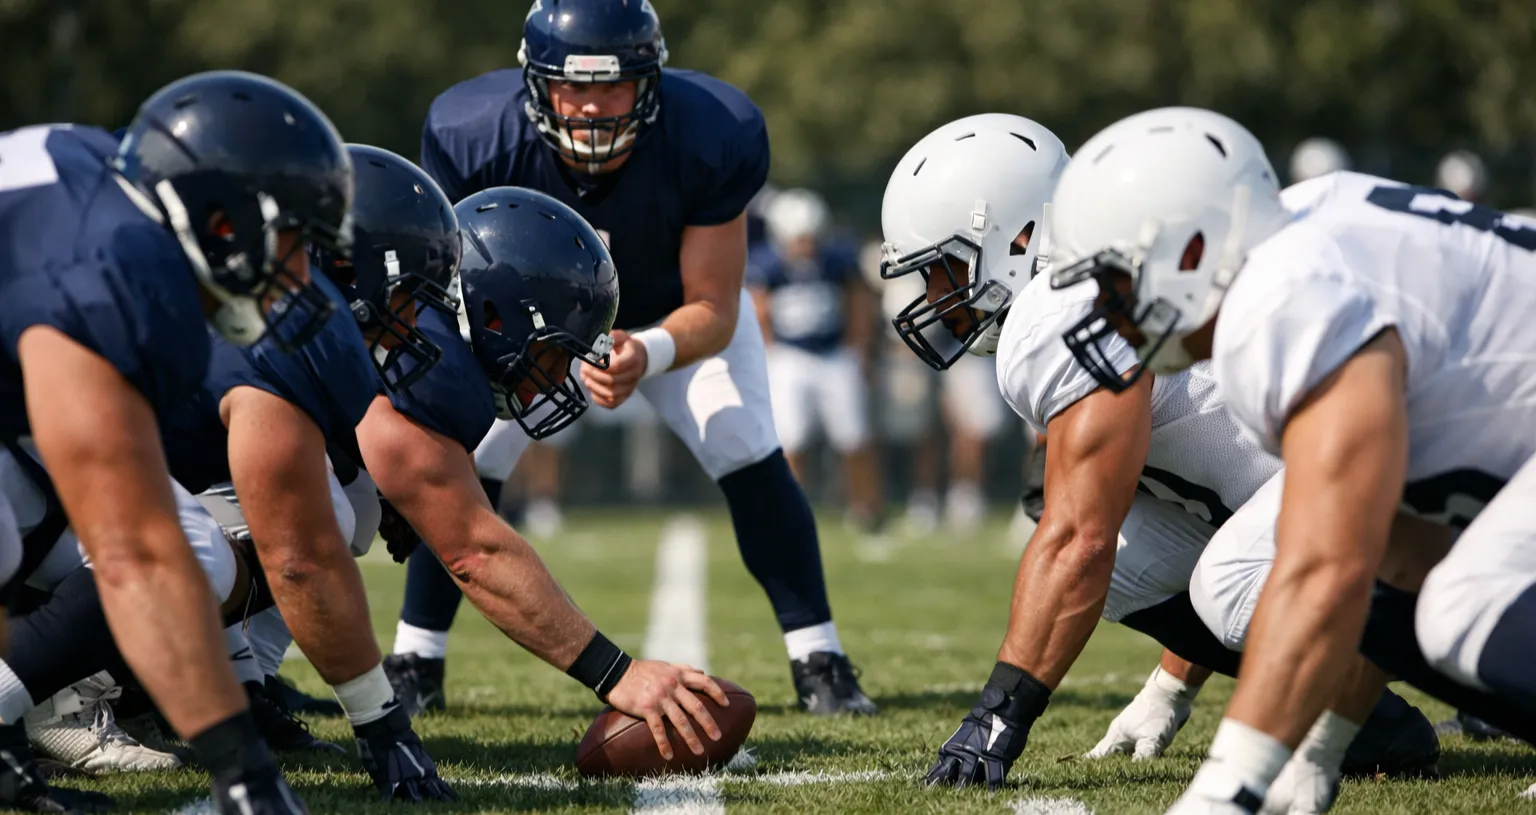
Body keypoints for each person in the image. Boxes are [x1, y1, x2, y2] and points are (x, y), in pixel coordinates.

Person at [1046, 106, 1536, 812]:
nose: (1108, 312)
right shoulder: (1302, 246)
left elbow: (1325, 570)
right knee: (1430, 593)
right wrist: (1317, 753)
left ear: (1192, 250)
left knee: (1464, 604)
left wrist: (1224, 789)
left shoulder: (1286, 298)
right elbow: (1399, 553)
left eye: (1115, 282)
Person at [395, 0, 875, 715]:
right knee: (469, 452)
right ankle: (415, 657)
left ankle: (820, 657)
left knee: (742, 440)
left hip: (669, 318)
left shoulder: (713, 131)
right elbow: (454, 279)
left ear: (651, 83)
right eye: (572, 86)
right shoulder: (472, 135)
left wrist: (646, 351)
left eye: (613, 86)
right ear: (535, 83)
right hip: (534, 328)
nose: (591, 108)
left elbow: (716, 305)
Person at [0, 70, 347, 813]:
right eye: (291, 241)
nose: (299, 272)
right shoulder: (110, 271)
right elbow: (134, 553)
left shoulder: (110, 190)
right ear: (221, 219)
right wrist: (244, 772)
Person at [351, 184, 733, 761]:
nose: (558, 376)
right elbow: (477, 554)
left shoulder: (420, 334)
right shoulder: (424, 362)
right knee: (340, 512)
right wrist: (618, 673)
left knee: (346, 505)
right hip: (204, 511)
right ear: (495, 315)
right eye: (556, 347)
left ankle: (248, 678)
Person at [750, 188, 884, 530]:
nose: (806, 244)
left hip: (835, 354)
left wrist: (859, 350)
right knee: (790, 439)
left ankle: (866, 508)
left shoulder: (837, 260)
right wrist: (767, 356)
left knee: (854, 436)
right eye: (799, 237)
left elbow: (858, 304)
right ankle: (791, 511)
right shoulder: (767, 264)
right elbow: (759, 311)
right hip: (789, 357)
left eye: (811, 236)